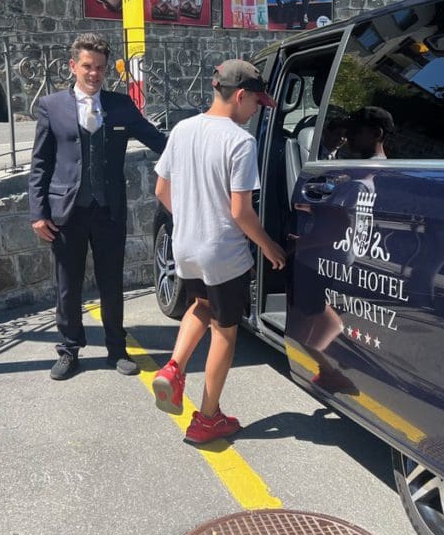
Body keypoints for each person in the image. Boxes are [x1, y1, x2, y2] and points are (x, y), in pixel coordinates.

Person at [151, 59, 287, 444]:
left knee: (200, 304)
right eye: (257, 103)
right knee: (224, 332)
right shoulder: (240, 141)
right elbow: (241, 211)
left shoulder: (182, 129)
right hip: (223, 252)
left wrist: (193, 217)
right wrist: (269, 247)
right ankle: (207, 418)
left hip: (187, 246)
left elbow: (161, 191)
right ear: (240, 96)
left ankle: (174, 369)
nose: (257, 110)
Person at [28, 32, 167, 381]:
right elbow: (41, 164)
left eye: (101, 68)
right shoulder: (51, 105)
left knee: (111, 282)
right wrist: (38, 212)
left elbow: (158, 141)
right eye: (87, 66)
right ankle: (69, 350)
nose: (94, 74)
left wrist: (199, 141)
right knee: (67, 283)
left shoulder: (120, 105)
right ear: (74, 66)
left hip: (109, 210)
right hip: (66, 211)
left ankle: (116, 349)